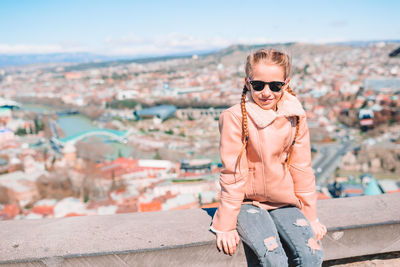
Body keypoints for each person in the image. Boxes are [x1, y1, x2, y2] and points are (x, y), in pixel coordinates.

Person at [210, 48, 327, 266]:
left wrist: (311, 217)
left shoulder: (295, 116)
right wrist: (225, 225)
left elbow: (301, 168)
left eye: (275, 86)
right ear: (247, 82)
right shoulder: (234, 117)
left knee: (312, 255)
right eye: (258, 85)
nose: (266, 92)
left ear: (286, 83)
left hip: (283, 201)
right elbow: (232, 173)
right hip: (246, 202)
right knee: (274, 259)